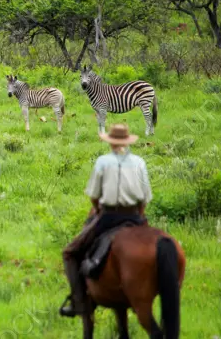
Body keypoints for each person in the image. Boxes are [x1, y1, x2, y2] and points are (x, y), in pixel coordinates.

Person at [60, 123, 153, 318]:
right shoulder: (139, 162)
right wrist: (140, 216)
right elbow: (145, 197)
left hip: (108, 216)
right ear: (127, 142)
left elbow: (94, 195)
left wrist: (99, 208)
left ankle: (78, 302)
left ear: (110, 142)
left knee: (70, 252)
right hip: (135, 217)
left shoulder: (103, 162)